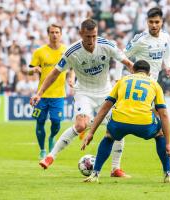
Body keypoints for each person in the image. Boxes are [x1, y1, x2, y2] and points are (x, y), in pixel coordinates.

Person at [31, 19, 134, 177]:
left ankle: (115, 168)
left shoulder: (107, 45)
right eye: (87, 37)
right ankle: (50, 156)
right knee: (80, 125)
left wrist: (143, 77)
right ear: (81, 34)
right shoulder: (72, 52)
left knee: (117, 128)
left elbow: (128, 63)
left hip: (106, 93)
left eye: (94, 36)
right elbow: (54, 73)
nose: (91, 40)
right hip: (84, 92)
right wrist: (39, 93)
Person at [81, 60, 170, 183]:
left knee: (109, 136)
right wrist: (168, 143)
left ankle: (95, 174)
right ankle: (167, 174)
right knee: (159, 134)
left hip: (120, 122)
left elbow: (105, 108)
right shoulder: (154, 84)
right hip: (144, 124)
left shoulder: (122, 81)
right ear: (149, 73)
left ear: (132, 70)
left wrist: (91, 132)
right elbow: (164, 114)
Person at [123, 7, 170, 166]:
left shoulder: (165, 37)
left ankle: (168, 155)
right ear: (147, 22)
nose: (154, 25)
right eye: (151, 22)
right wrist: (132, 70)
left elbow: (167, 52)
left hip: (153, 85)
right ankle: (169, 154)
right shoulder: (140, 40)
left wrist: (168, 67)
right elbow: (122, 55)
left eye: (157, 22)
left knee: (159, 119)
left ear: (162, 22)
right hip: (141, 86)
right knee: (159, 118)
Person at [28, 24, 68, 159]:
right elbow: (28, 70)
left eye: (57, 32)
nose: (55, 35)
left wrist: (72, 79)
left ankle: (52, 137)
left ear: (61, 34)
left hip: (58, 95)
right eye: (52, 32)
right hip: (42, 95)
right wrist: (33, 70)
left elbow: (73, 68)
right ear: (48, 34)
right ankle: (42, 150)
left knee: (56, 122)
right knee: (40, 122)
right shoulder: (39, 51)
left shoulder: (66, 51)